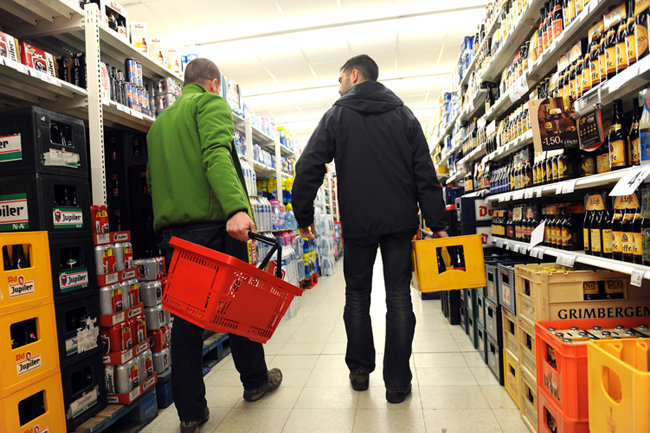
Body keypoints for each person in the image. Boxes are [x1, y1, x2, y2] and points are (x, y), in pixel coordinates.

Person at [292, 54, 448, 404]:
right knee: (399, 297)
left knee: (357, 296)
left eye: (340, 80)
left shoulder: (336, 116)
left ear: (354, 75)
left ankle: (360, 370)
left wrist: (303, 215)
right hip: (399, 223)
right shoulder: (404, 115)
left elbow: (309, 165)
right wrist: (437, 223)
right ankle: (397, 382)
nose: (339, 88)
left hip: (358, 223)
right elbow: (425, 173)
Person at [146, 58, 282, 433]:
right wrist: (236, 208)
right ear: (213, 83)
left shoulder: (159, 125)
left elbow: (154, 183)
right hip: (213, 228)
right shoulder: (209, 103)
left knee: (186, 320)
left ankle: (190, 412)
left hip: (175, 235)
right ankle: (255, 381)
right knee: (239, 305)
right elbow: (216, 154)